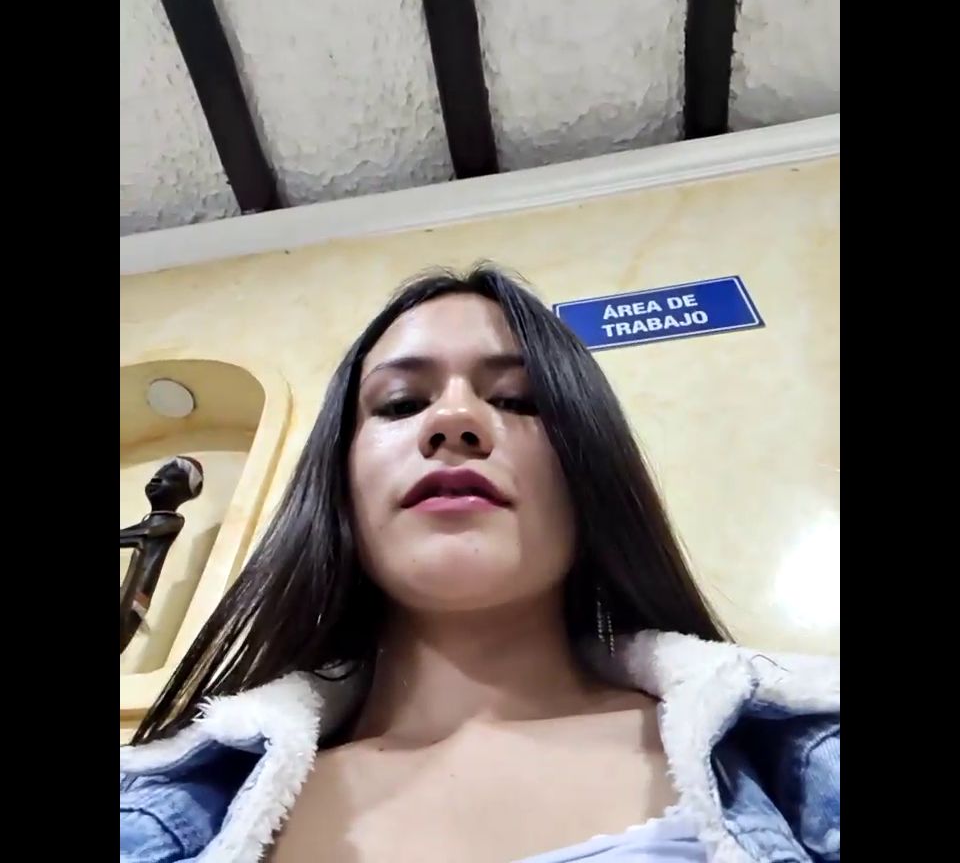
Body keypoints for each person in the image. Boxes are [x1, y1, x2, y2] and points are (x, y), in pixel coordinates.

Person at [119, 265, 840, 863]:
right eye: (401, 403)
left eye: (518, 400)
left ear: (589, 471)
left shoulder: (805, 760)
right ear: (337, 485)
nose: (454, 419)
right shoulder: (159, 813)